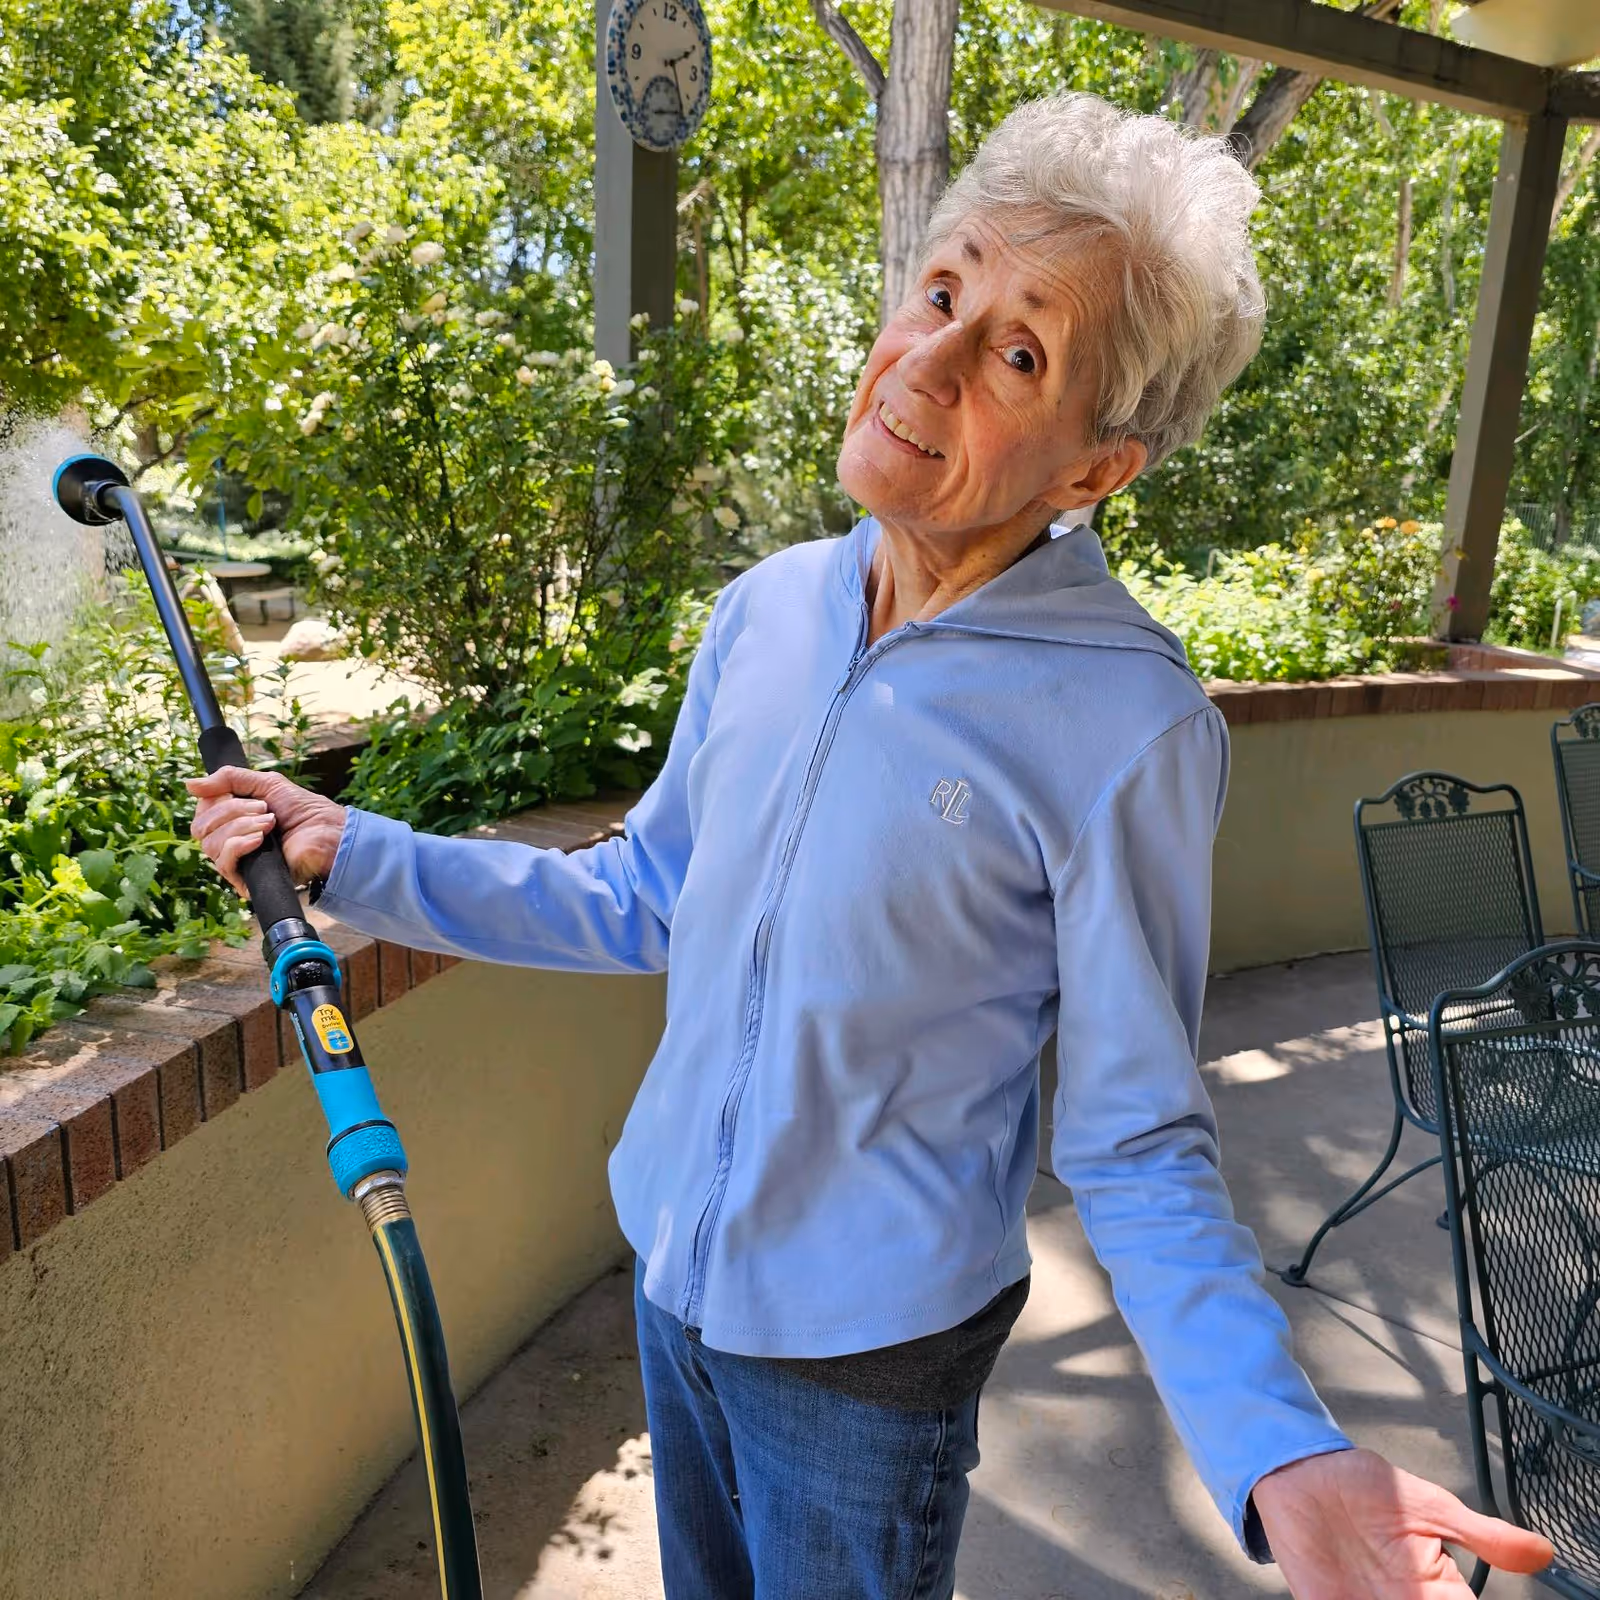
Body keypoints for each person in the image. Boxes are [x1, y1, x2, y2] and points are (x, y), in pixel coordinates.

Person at [188, 92, 1553, 1600]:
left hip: (868, 1360)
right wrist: (357, 853)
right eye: (944, 291)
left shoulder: (1129, 725)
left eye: (1020, 353)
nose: (932, 363)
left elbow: (1135, 1137)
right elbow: (646, 895)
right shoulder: (766, 609)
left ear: (1100, 467)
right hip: (675, 1275)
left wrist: (1276, 1447)